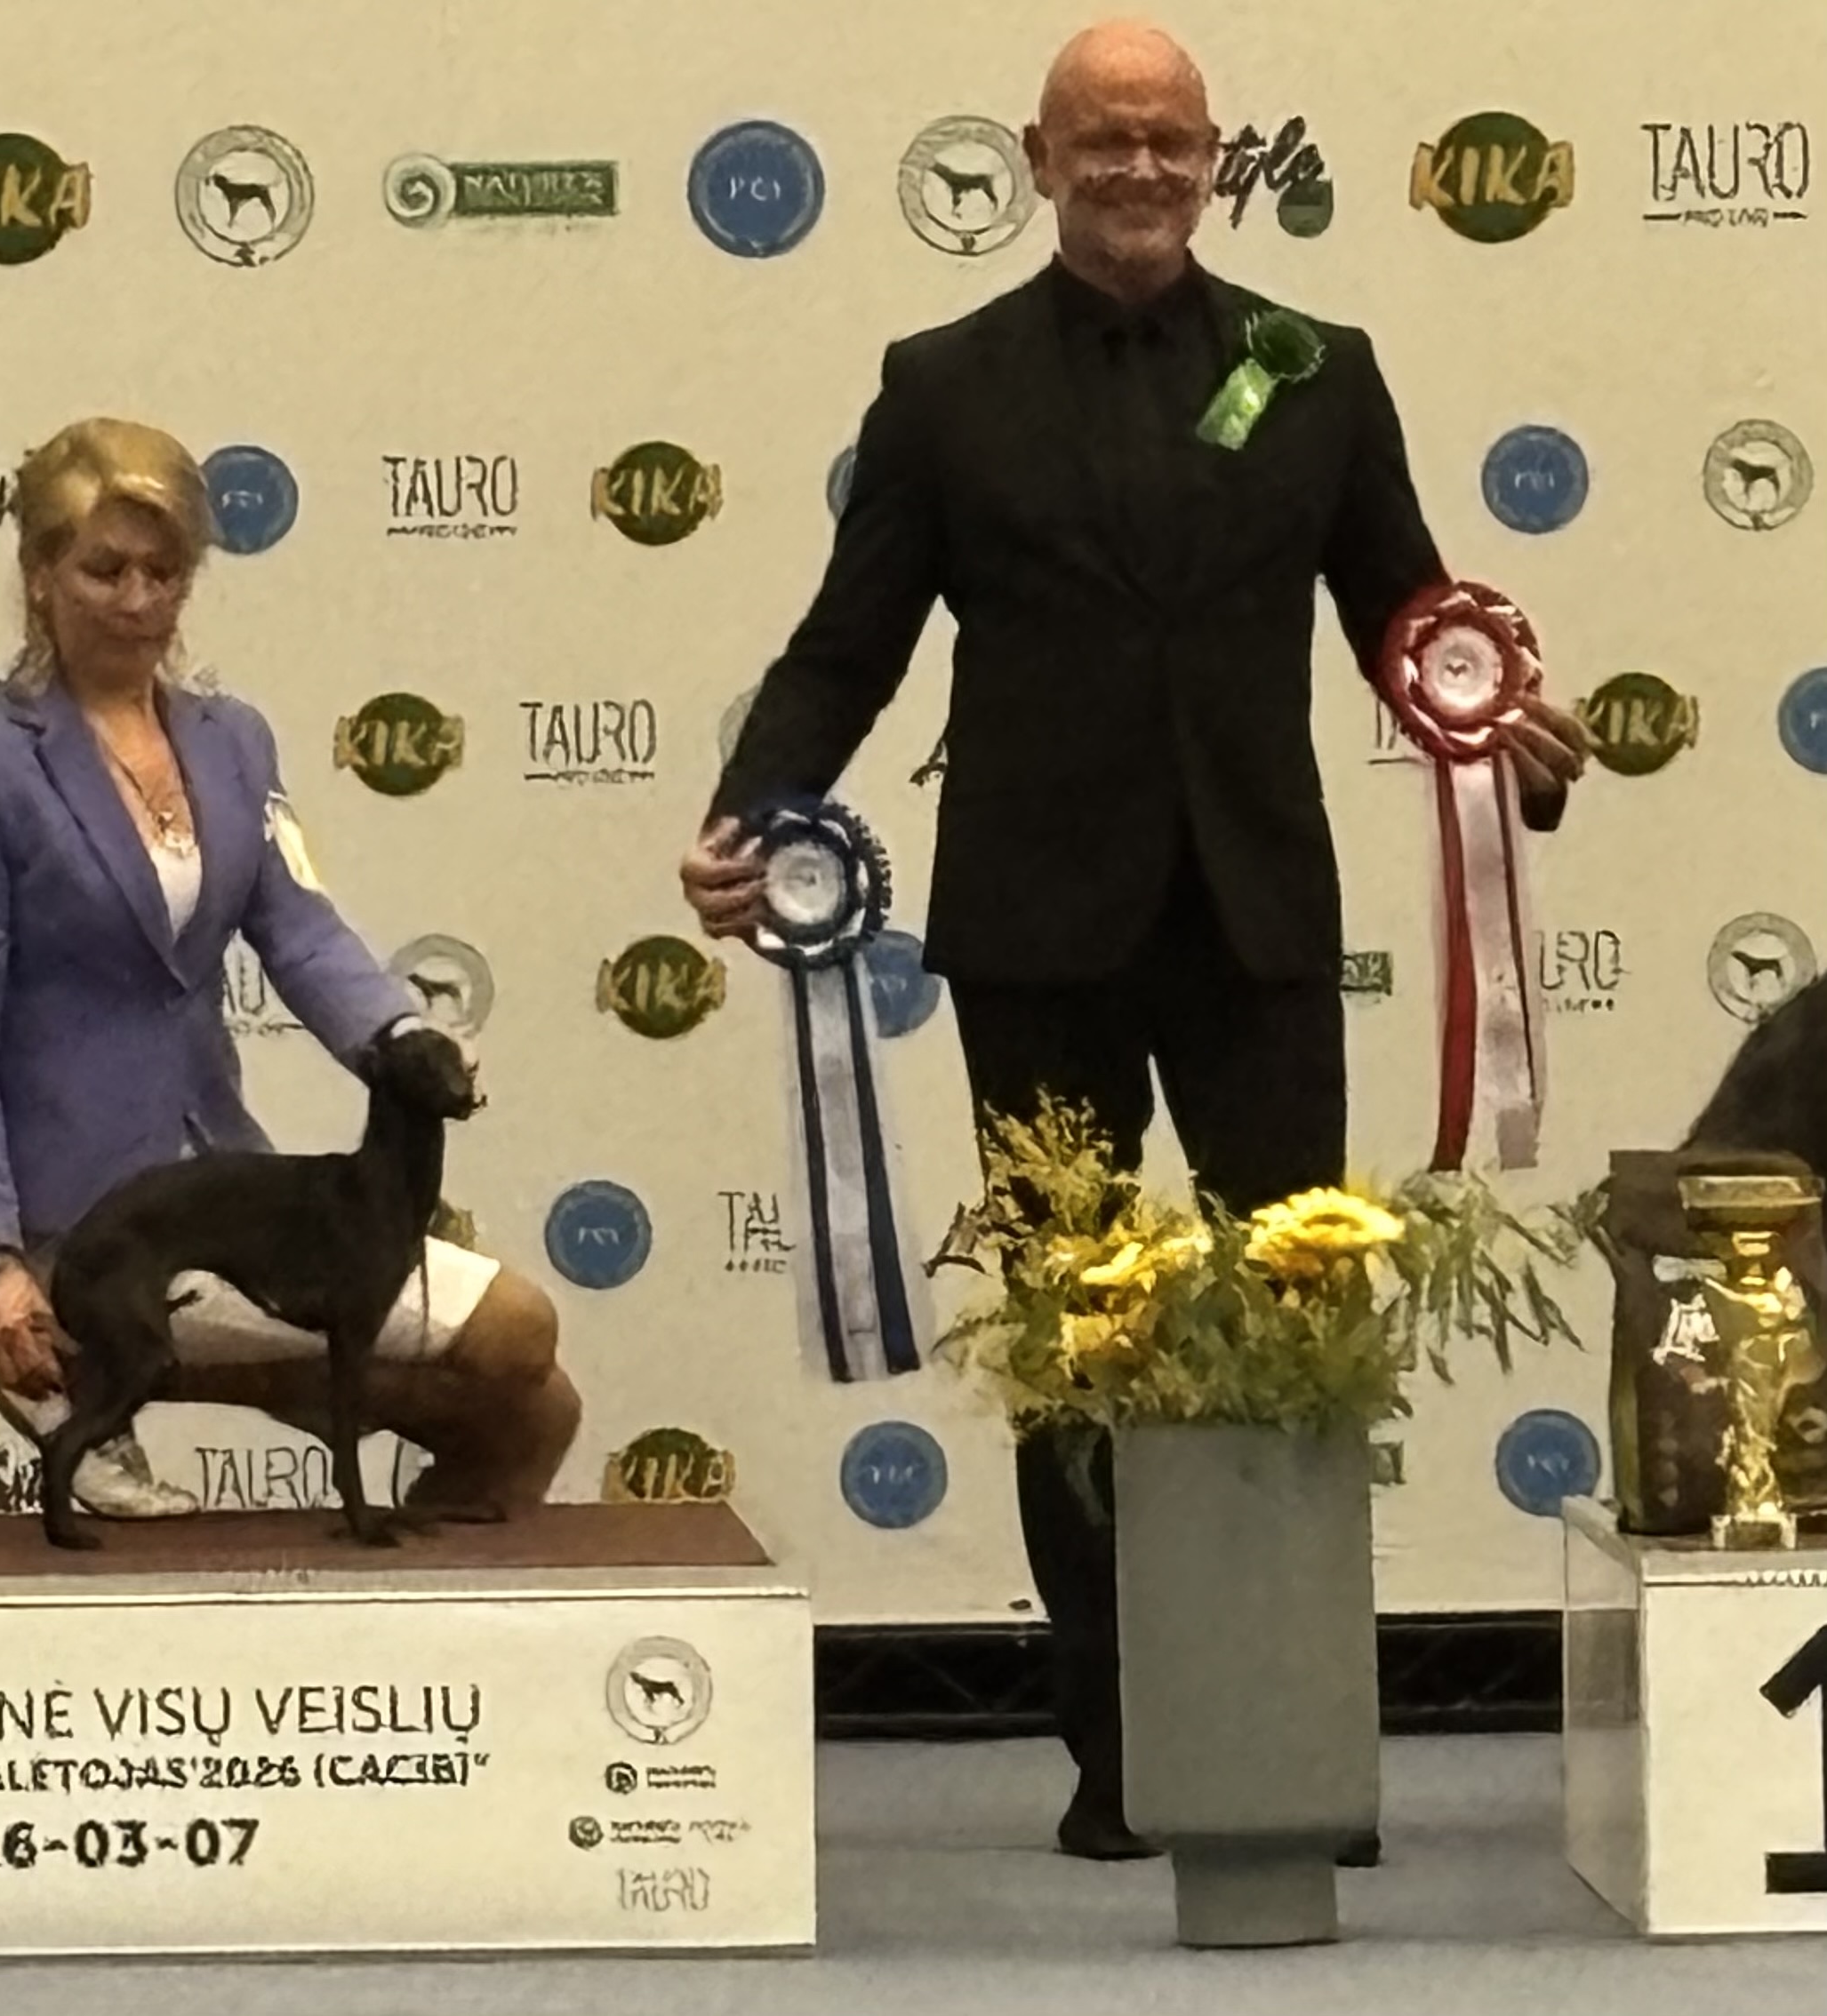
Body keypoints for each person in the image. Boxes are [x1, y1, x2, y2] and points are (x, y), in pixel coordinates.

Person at [681, 21, 1591, 1859]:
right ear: (1037, 159)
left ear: (1214, 158)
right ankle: (1115, 1760)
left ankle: (1287, 1741)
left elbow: (1410, 614)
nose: (1139, 167)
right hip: (1036, 931)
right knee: (1075, 1344)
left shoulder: (1314, 367)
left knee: (1299, 1328)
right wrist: (750, 811)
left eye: (1170, 138)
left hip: (1257, 924)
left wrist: (1504, 737)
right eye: (1103, 138)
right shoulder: (940, 388)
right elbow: (850, 642)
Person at [0, 417, 580, 1525]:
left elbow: (300, 931)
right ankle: (75, 1366)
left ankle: (417, 1623)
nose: (139, 599)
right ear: (39, 573)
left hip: (228, 1192)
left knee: (533, 1415)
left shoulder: (231, 741)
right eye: (105, 569)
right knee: (514, 1339)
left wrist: (403, 1038)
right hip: (84, 1227)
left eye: (165, 572)